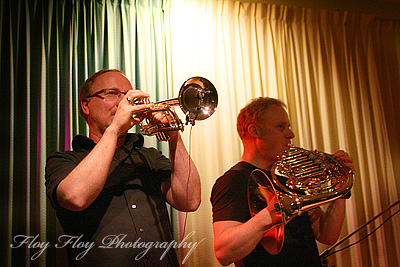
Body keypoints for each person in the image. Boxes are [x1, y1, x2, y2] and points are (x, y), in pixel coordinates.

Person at [45, 69, 201, 266]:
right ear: (86, 104)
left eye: (127, 96)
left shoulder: (149, 157)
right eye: (111, 93)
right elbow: (75, 198)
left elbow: (190, 201)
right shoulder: (64, 160)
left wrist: (173, 135)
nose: (123, 103)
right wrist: (114, 129)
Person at [210, 97, 354, 267]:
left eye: (289, 127)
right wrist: (270, 214)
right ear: (255, 131)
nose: (291, 134)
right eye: (281, 127)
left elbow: (326, 234)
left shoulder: (290, 177)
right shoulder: (233, 180)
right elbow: (224, 252)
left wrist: (340, 187)